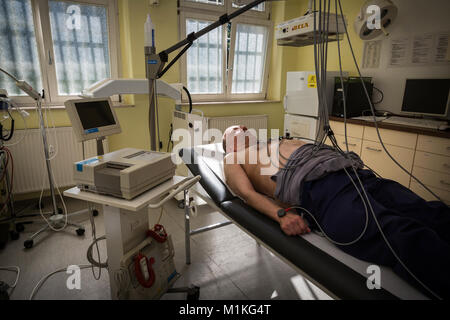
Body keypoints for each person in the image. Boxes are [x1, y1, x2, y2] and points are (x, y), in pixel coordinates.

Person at [222, 125, 450, 299]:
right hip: (321, 192)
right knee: (405, 236)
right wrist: (281, 215)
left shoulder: (274, 140)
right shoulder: (233, 157)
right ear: (229, 144)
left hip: (354, 173)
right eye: (235, 130)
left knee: (430, 212)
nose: (242, 128)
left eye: (243, 126)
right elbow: (247, 194)